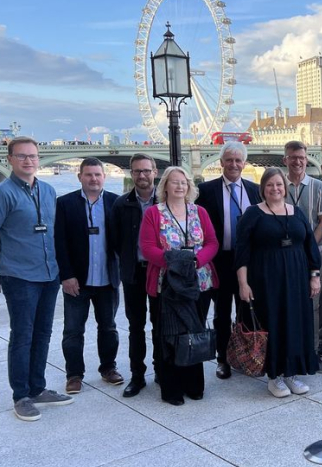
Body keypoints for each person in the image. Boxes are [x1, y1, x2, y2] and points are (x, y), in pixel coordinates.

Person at [0, 136, 74, 421]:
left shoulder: (48, 191)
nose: (28, 161)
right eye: (22, 156)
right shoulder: (0, 193)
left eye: (33, 156)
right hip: (20, 276)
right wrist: (5, 263)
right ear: (10, 159)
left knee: (43, 333)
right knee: (22, 336)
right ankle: (21, 395)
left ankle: (38, 387)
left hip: (49, 274)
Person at [236, 168, 321, 398]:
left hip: (296, 278)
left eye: (279, 185)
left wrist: (315, 276)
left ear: (285, 187)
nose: (275, 188)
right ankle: (274, 377)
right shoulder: (253, 214)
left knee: (295, 323)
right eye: (270, 185)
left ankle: (291, 373)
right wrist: (243, 284)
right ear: (263, 188)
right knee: (273, 324)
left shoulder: (297, 212)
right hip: (266, 279)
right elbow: (241, 252)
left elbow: (310, 246)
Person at [139, 167, 219, 406]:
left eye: (183, 182)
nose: (179, 187)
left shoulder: (200, 212)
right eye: (174, 182)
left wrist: (195, 261)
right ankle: (171, 387)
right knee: (169, 335)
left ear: (189, 186)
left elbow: (212, 242)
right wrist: (175, 264)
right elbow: (148, 247)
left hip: (198, 282)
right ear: (165, 186)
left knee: (193, 332)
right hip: (167, 284)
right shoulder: (154, 213)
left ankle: (193, 385)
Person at [54, 157, 121, 394]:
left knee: (109, 327)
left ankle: (108, 368)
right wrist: (66, 275)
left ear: (104, 177)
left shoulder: (116, 202)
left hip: (107, 279)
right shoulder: (64, 204)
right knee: (73, 331)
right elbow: (59, 242)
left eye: (98, 175)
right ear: (80, 176)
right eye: (89, 174)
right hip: (77, 281)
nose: (93, 179)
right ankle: (74, 375)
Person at [196, 142, 261, 380]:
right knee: (221, 313)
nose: (234, 164)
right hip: (220, 260)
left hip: (248, 261)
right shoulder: (205, 190)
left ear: (244, 163)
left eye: (238, 160)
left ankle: (244, 355)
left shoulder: (255, 190)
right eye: (229, 160)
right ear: (221, 162)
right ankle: (222, 359)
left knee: (247, 311)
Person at [111, 153, 160, 398]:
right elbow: (116, 241)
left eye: (146, 171)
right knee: (136, 326)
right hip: (134, 274)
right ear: (131, 174)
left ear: (155, 172)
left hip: (161, 273)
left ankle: (162, 370)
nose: (142, 175)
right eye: (137, 171)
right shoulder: (121, 204)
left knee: (162, 325)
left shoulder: (165, 200)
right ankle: (137, 375)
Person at [283, 140, 322, 371]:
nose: (298, 161)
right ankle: (291, 349)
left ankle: (311, 350)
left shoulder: (318, 186)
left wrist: (309, 246)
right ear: (286, 160)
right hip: (285, 257)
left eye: (301, 157)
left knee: (313, 304)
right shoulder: (279, 185)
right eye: (293, 157)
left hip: (311, 254)